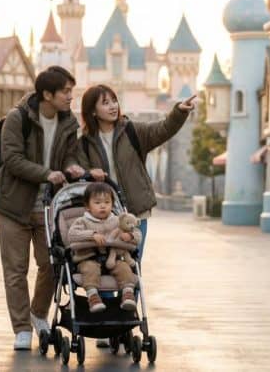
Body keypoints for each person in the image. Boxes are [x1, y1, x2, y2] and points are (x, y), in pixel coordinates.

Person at [78, 84, 195, 347]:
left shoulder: (132, 131)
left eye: (114, 100)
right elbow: (74, 171)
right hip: (103, 215)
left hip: (135, 213)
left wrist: (179, 112)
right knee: (104, 264)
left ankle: (126, 321)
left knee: (132, 264)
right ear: (92, 110)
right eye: (105, 102)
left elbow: (162, 129)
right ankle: (107, 324)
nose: (112, 106)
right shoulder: (83, 143)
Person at [0, 66, 85, 351]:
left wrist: (70, 165)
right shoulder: (17, 119)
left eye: (72, 91)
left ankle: (38, 313)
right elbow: (12, 159)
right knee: (15, 270)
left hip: (48, 208)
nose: (71, 97)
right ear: (47, 94)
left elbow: (69, 153)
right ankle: (21, 328)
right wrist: (46, 173)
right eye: (66, 92)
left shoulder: (69, 122)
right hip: (13, 206)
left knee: (51, 264)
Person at [67, 182, 141, 313]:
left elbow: (137, 233)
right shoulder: (82, 221)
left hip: (113, 259)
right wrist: (92, 235)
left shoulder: (118, 220)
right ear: (87, 206)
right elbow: (71, 235)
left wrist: (130, 236)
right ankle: (93, 296)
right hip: (88, 258)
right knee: (89, 269)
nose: (103, 206)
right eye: (97, 203)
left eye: (107, 202)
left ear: (112, 204)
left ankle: (127, 294)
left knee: (124, 267)